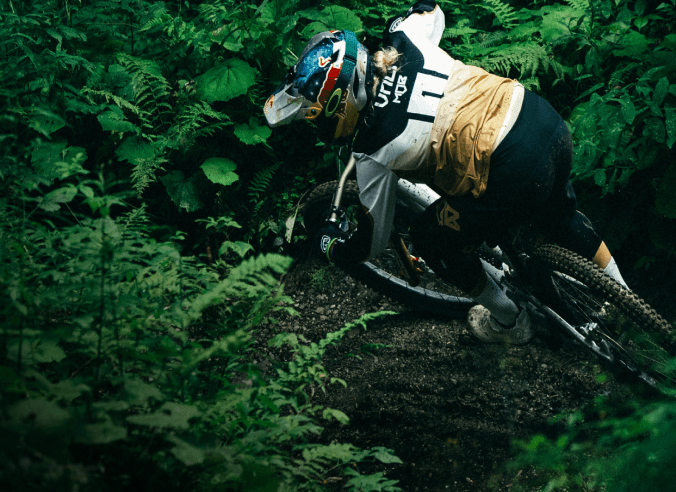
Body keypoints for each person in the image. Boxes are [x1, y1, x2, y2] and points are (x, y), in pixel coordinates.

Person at [262, 0, 628, 345]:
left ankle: (510, 322)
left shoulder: (373, 149)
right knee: (559, 215)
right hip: (542, 121)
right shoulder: (405, 40)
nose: (316, 126)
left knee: (431, 239)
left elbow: (373, 244)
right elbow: (430, 9)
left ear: (339, 106)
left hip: (510, 171)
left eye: (314, 115)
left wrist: (333, 247)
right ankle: (624, 300)